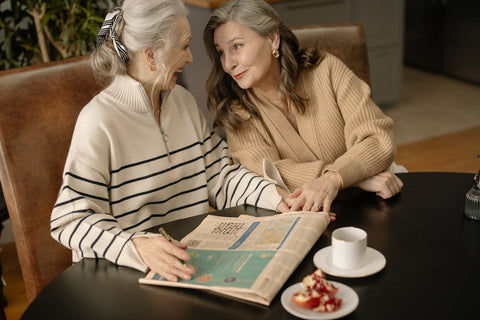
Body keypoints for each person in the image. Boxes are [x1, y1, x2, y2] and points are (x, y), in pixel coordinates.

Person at [50, 0, 291, 283]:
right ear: (151, 54)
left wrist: (276, 197)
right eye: (183, 45)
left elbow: (220, 178)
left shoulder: (184, 103)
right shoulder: (98, 121)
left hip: (192, 264)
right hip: (128, 277)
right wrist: (137, 247)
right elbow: (69, 220)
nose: (190, 58)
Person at [203, 0, 404, 215]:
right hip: (312, 213)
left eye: (237, 46)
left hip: (374, 200)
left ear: (272, 39)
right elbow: (272, 175)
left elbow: (378, 139)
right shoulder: (235, 110)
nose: (228, 64)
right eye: (221, 52)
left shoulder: (327, 70)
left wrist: (335, 177)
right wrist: (353, 178)